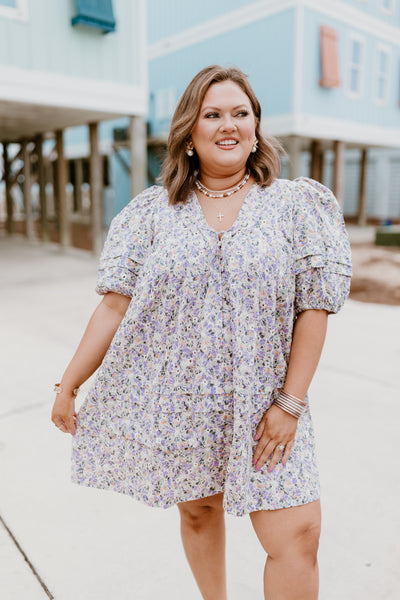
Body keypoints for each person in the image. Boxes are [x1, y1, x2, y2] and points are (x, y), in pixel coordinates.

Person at [51, 65, 352, 599]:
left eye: (241, 113)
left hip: (271, 407)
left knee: (298, 535)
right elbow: (113, 307)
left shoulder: (295, 206)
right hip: (183, 403)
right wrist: (69, 383)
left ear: (256, 128)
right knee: (197, 514)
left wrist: (290, 403)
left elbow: (315, 308)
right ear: (190, 132)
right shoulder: (151, 213)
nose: (228, 124)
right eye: (213, 114)